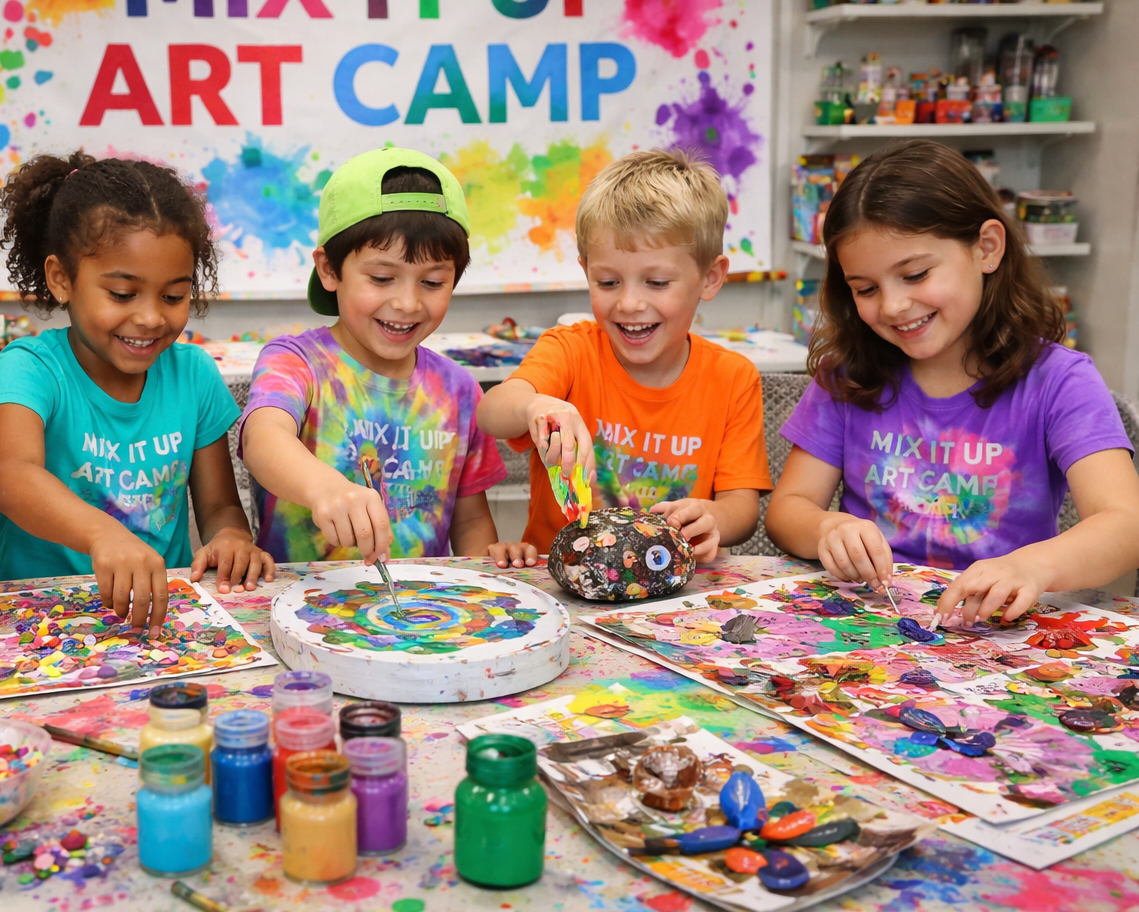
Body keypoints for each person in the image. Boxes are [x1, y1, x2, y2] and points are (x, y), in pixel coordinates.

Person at [765, 140, 1139, 624]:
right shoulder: (849, 375)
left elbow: (1126, 524)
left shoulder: (1059, 381)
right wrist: (826, 528)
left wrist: (1030, 567)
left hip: (999, 636)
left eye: (915, 274)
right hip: (870, 631)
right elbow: (787, 509)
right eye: (866, 289)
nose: (894, 305)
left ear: (987, 248)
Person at [0, 152, 272, 631]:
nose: (151, 317)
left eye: (174, 296)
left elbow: (219, 505)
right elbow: (11, 476)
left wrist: (232, 538)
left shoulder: (194, 374)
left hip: (157, 618)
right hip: (39, 619)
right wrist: (103, 534)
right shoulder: (31, 368)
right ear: (61, 279)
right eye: (122, 294)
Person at [477, 148, 771, 563]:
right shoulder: (571, 349)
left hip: (668, 588)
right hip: (565, 585)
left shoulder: (733, 377)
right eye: (608, 282)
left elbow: (742, 510)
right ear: (586, 272)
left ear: (710, 277)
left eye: (656, 282)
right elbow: (491, 410)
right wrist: (534, 404)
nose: (630, 304)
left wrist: (710, 516)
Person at [240, 147, 512, 564]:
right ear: (330, 269)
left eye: (433, 282)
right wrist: (324, 489)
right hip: (302, 604)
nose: (407, 303)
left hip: (421, 611)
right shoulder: (295, 362)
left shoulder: (459, 390)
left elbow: (471, 522)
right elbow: (263, 438)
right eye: (382, 278)